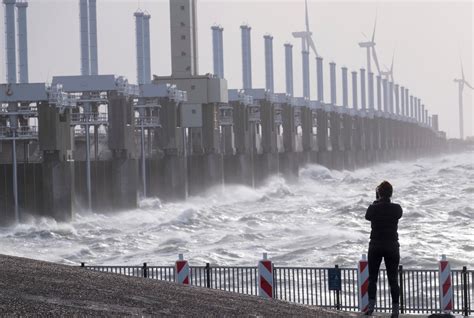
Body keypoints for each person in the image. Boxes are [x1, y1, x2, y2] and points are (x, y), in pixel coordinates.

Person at [364, 181, 403, 318]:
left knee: (372, 279)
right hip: (392, 245)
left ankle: (370, 308)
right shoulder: (397, 208)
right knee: (393, 279)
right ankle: (395, 311)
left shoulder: (373, 208)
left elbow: (368, 216)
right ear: (391, 193)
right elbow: (398, 214)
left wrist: (376, 200)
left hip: (375, 245)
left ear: (379, 193)